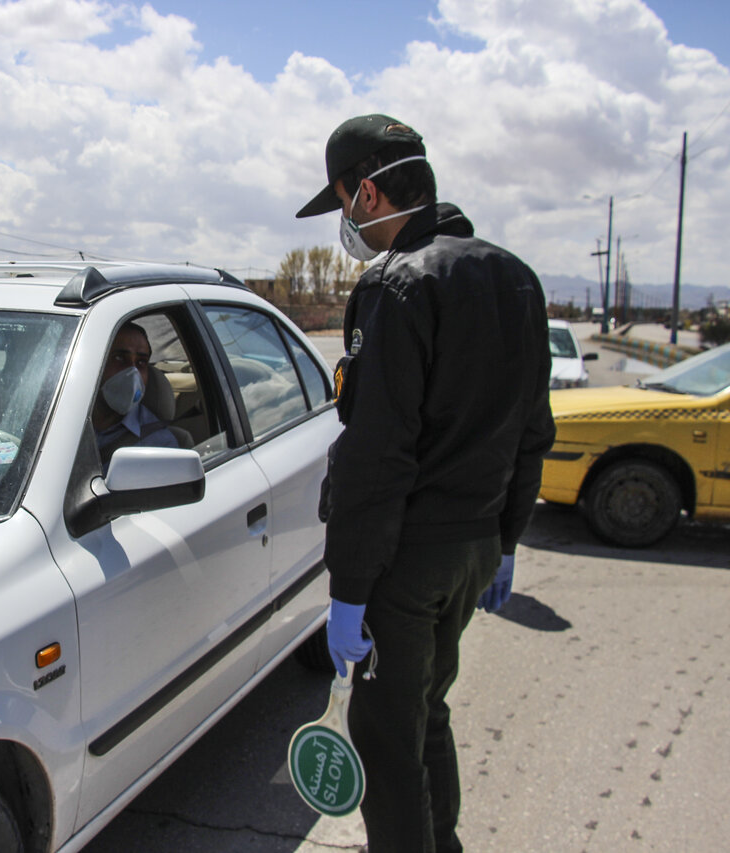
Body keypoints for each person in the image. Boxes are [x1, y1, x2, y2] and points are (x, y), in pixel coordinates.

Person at [296, 114, 555, 852]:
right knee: (426, 712)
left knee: (384, 740)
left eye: (343, 201)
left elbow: (377, 455)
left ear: (369, 193)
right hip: (473, 548)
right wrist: (505, 541)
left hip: (405, 561)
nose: (344, 223)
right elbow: (533, 429)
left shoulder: (397, 283)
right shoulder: (515, 277)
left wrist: (350, 588)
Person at [93, 322, 179, 462]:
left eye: (141, 362)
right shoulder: (59, 420)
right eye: (119, 358)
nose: (132, 373)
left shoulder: (159, 445)